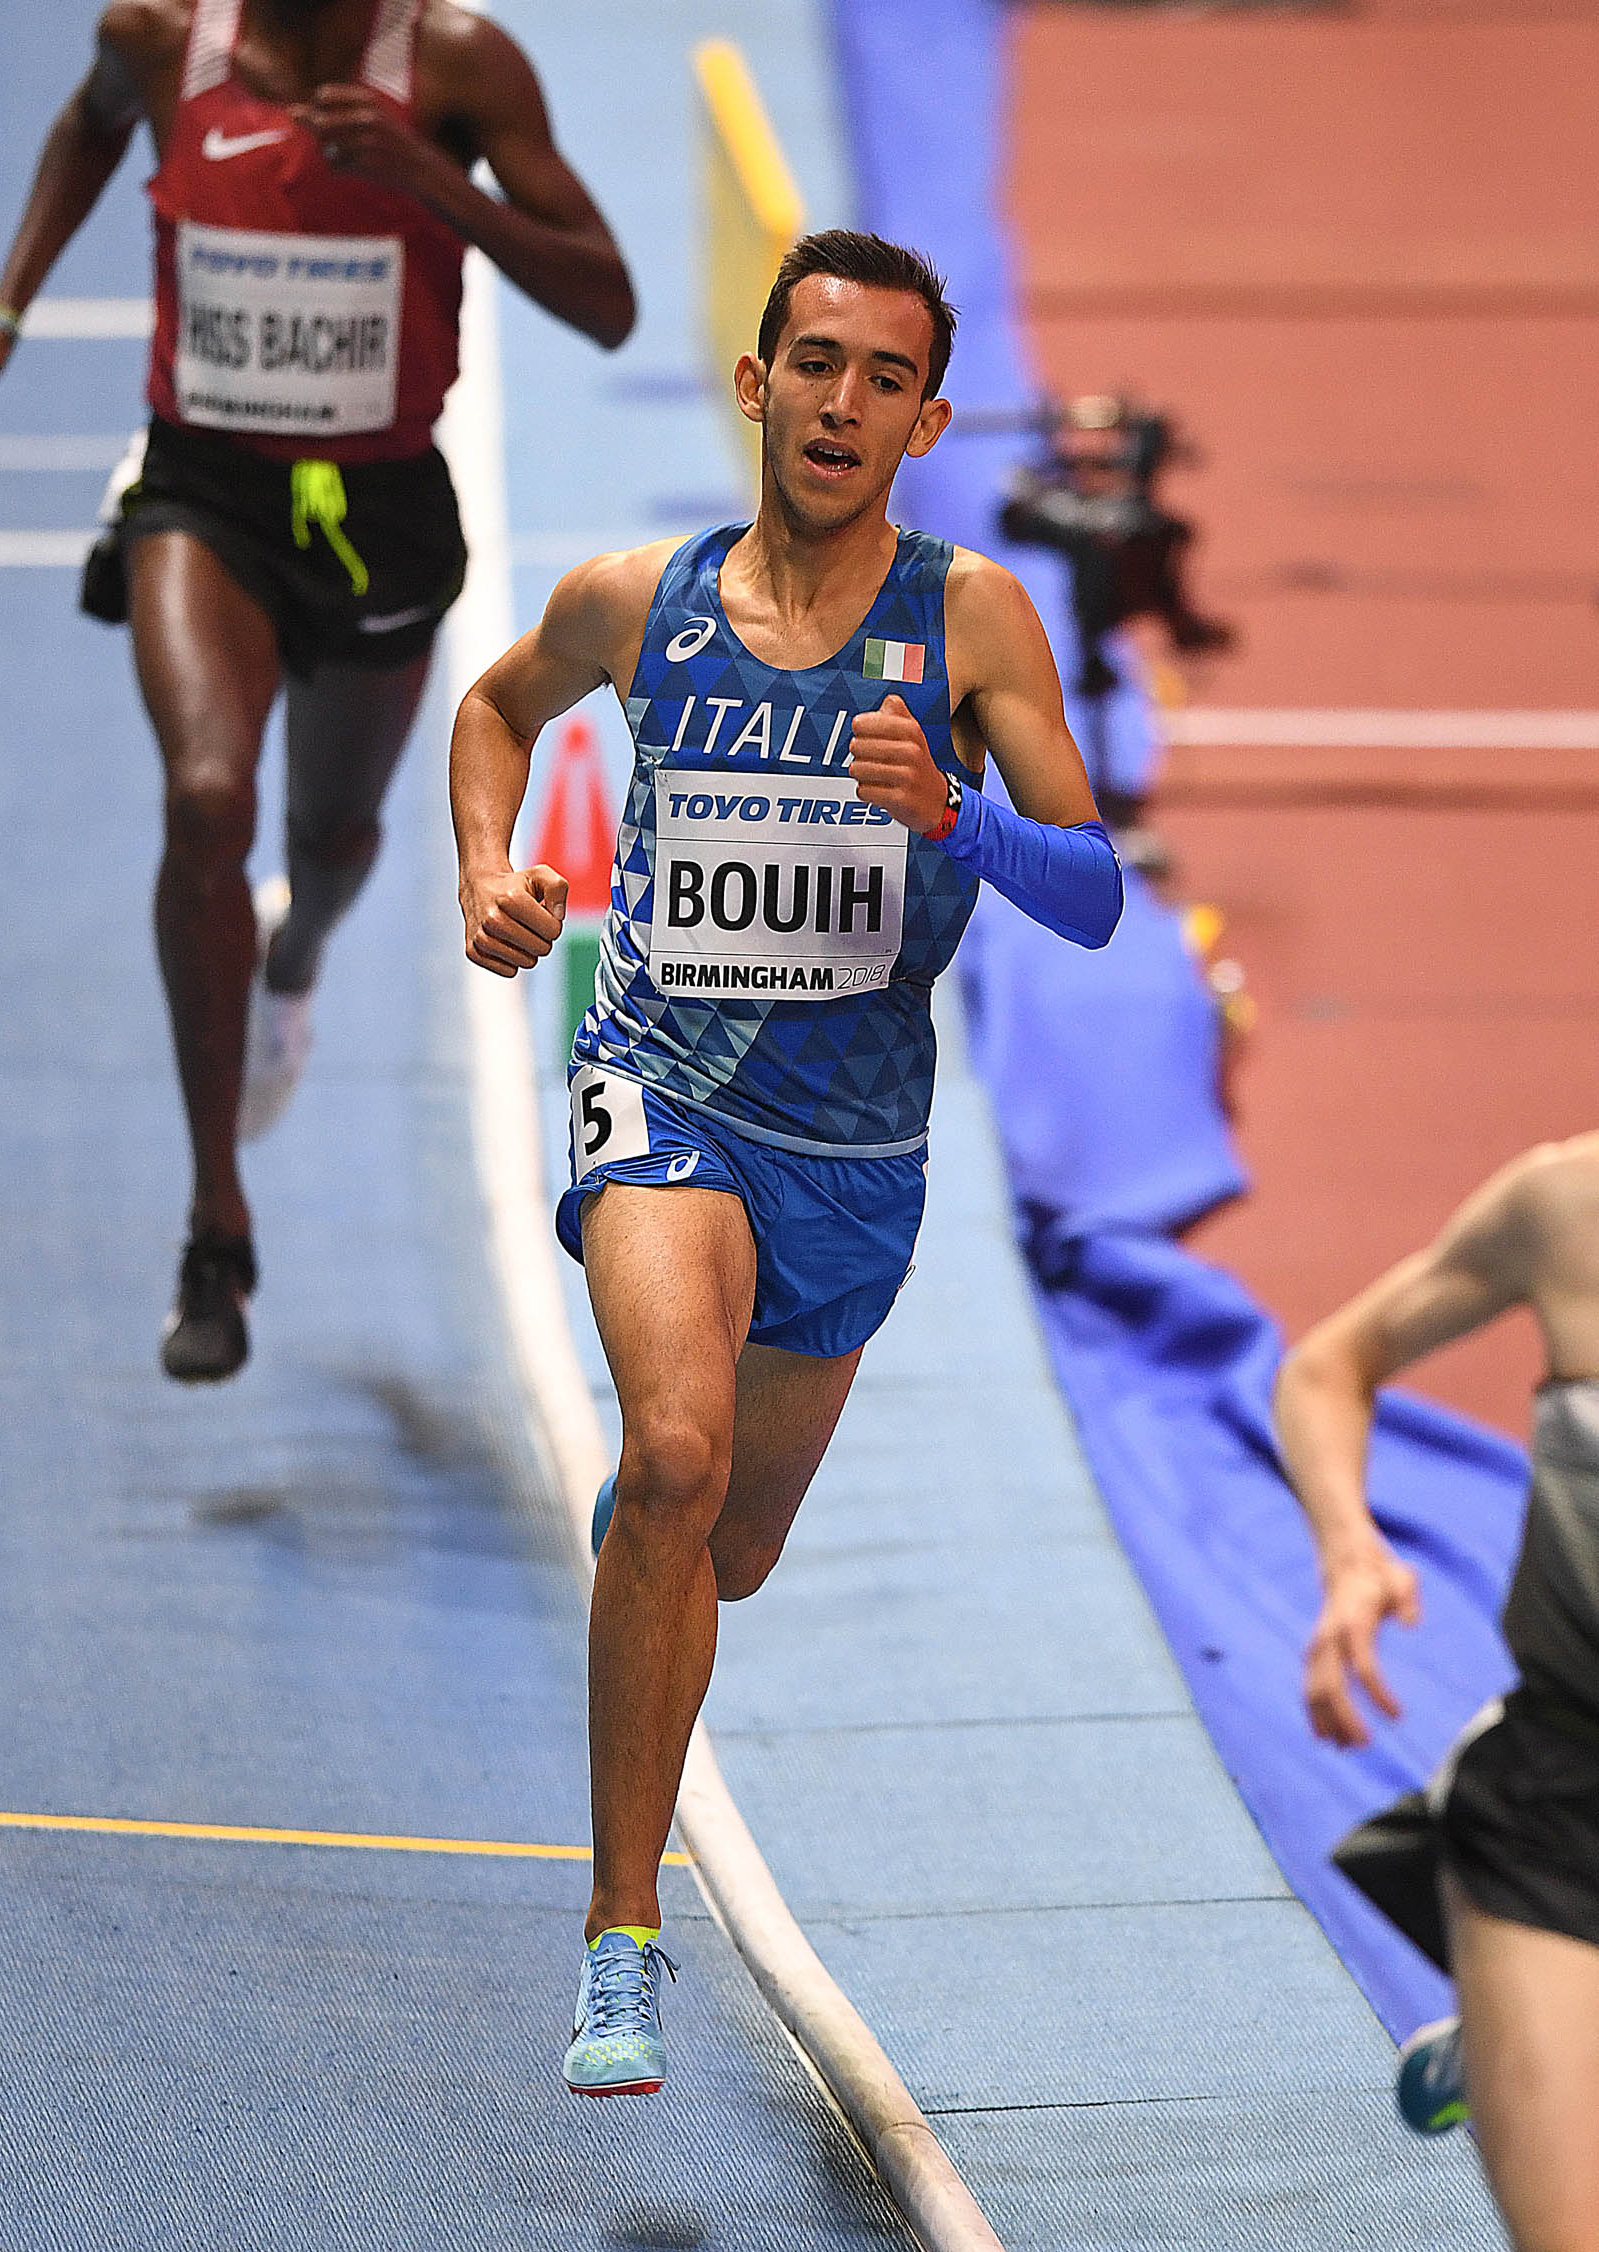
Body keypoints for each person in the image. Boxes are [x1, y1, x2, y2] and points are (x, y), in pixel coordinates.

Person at [449, 228, 1123, 2097]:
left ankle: (652, 1554)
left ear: (926, 422)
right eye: (814, 364)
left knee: (723, 1547)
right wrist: (489, 870)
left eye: (883, 378)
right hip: (659, 1084)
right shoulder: (637, 600)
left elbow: (1094, 892)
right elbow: (494, 708)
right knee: (673, 1455)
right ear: (757, 384)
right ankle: (621, 1937)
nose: (841, 402)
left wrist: (960, 818)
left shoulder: (972, 620)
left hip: (853, 1154)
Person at [0, 0, 635, 1385]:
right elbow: (84, 133)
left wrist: (430, 179)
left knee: (333, 840)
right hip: (207, 490)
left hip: (380, 509)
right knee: (204, 799)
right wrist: (2, 319)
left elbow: (606, 301)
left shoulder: (458, 67)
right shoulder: (156, 35)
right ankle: (216, 1227)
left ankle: (290, 955)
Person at [1275, 1136, 1599, 2252]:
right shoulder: (1570, 1204)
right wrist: (1348, 1552)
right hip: (1560, 1813)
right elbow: (1328, 1367)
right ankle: (1525, 2025)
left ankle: (1512, 2043)